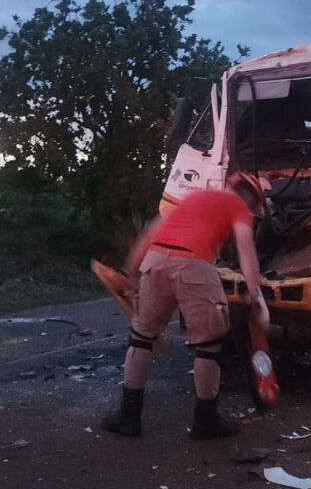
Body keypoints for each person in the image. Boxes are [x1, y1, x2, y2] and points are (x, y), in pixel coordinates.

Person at [101, 173, 269, 439]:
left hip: (155, 261)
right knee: (209, 346)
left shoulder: (192, 198)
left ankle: (128, 417)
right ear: (251, 198)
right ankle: (206, 421)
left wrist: (129, 275)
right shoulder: (237, 206)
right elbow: (245, 248)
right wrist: (255, 292)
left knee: (141, 338)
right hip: (193, 266)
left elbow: (150, 233)